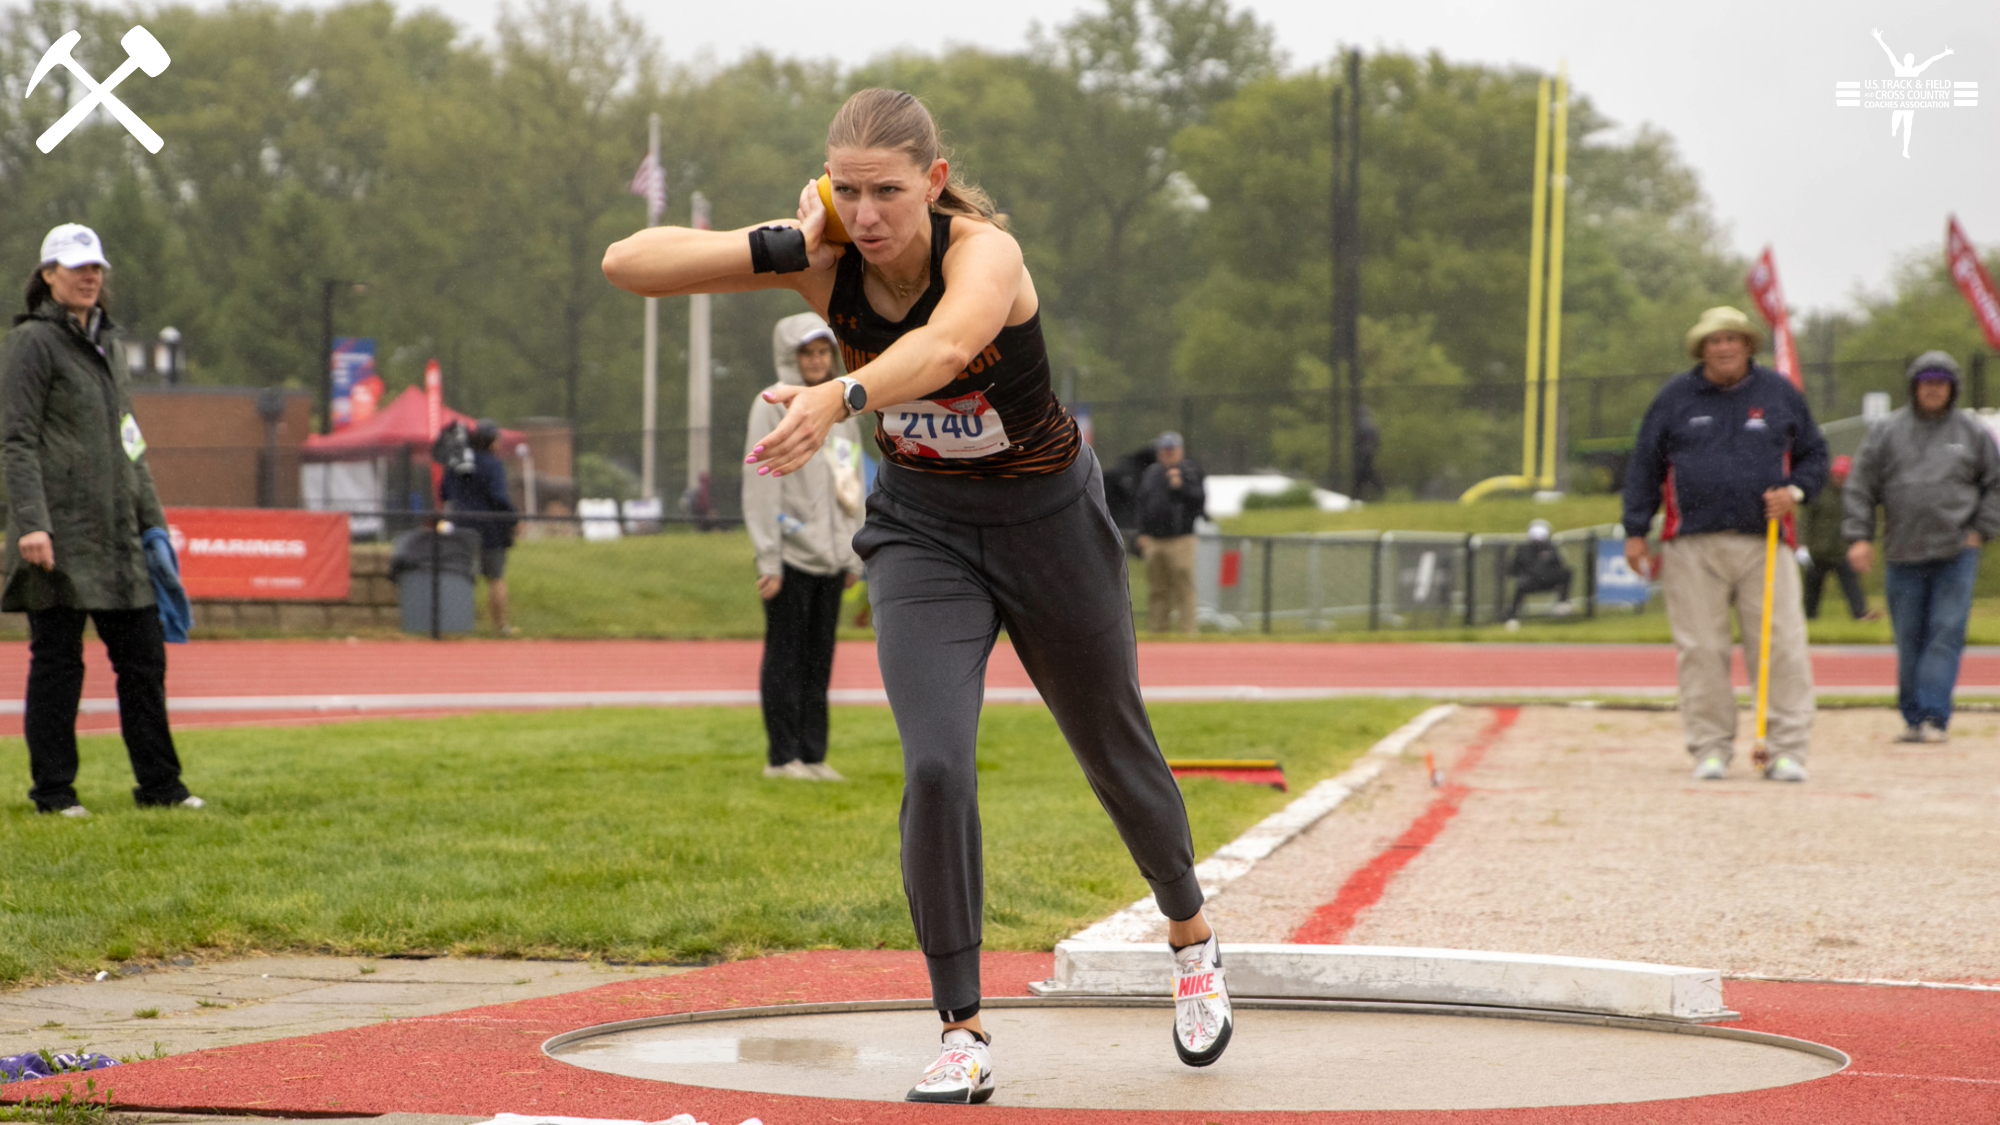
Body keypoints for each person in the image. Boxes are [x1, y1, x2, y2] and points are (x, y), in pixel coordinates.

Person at [604, 87, 1232, 1104]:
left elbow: (942, 351)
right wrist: (777, 241)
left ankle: (1192, 939)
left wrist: (839, 394)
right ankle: (961, 1028)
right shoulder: (821, 256)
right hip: (923, 534)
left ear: (932, 184)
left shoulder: (983, 253)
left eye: (887, 192)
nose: (867, 216)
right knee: (935, 761)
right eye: (845, 191)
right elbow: (626, 266)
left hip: (1048, 527)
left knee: (1112, 747)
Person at [2, 224, 202, 817]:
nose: (89, 277)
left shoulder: (109, 345)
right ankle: (55, 793)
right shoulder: (32, 344)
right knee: (59, 664)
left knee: (144, 661)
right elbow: (14, 441)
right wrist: (32, 524)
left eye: (95, 267)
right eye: (75, 267)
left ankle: (161, 787)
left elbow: (129, 443)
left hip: (119, 537)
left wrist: (154, 524)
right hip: (58, 535)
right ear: (48, 275)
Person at [1622, 306, 1828, 783]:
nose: (1724, 348)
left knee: (1781, 647)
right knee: (1701, 649)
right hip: (1691, 544)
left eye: (1732, 339)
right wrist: (1636, 530)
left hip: (1766, 542)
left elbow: (1814, 455)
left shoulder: (1779, 393)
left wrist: (1794, 490)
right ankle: (1710, 748)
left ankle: (1786, 749)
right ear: (1702, 349)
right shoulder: (1675, 397)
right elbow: (1644, 467)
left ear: (1747, 345)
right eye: (1714, 341)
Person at [1842, 352, 2000, 743]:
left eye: (1941, 382)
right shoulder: (1886, 432)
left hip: (1957, 551)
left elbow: (1995, 484)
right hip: (1902, 550)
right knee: (1909, 636)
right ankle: (1913, 716)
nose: (1933, 389)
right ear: (1914, 386)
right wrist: (1859, 536)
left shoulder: (1972, 433)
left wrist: (1982, 528)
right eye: (1926, 381)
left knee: (1945, 632)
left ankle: (1934, 715)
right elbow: (1860, 486)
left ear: (1953, 388)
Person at [743, 312, 865, 781]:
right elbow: (761, 481)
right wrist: (768, 556)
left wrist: (852, 552)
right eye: (807, 353)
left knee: (820, 659)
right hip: (791, 556)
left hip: (833, 558)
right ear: (789, 357)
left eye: (822, 352)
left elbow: (850, 481)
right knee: (785, 657)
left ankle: (813, 755)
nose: (816, 361)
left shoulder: (843, 409)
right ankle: (782, 758)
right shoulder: (772, 404)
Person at [439, 419, 519, 635]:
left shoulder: (456, 462)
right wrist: (513, 520)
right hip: (490, 529)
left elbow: (444, 493)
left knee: (459, 575)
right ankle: (501, 626)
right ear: (492, 441)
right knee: (495, 578)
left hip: (459, 526)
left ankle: (454, 625)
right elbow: (499, 498)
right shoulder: (493, 464)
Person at [1135, 431, 1205, 634]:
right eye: (1163, 450)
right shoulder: (1152, 473)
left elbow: (1199, 500)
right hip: (1154, 539)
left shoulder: (1190, 471)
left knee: (1183, 586)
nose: (1167, 454)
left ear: (1180, 450)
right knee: (1158, 588)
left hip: (1181, 538)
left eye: (1171, 450)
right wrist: (1142, 532)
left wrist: (1180, 486)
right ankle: (1158, 630)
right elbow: (1142, 504)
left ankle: (1188, 630)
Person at [1800, 455, 1872, 621]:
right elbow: (1805, 520)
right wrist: (1802, 544)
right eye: (1837, 474)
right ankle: (1809, 617)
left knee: (1851, 584)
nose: (1840, 477)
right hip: (1819, 550)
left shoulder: (1853, 494)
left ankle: (1860, 614)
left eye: (1843, 474)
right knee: (1812, 586)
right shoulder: (1819, 491)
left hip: (1841, 550)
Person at [1504, 519, 1573, 625]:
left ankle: (1562, 603)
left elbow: (1560, 565)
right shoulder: (1524, 550)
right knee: (1520, 586)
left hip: (1546, 582)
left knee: (1567, 572)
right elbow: (1514, 569)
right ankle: (1512, 616)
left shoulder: (1550, 548)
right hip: (1533, 583)